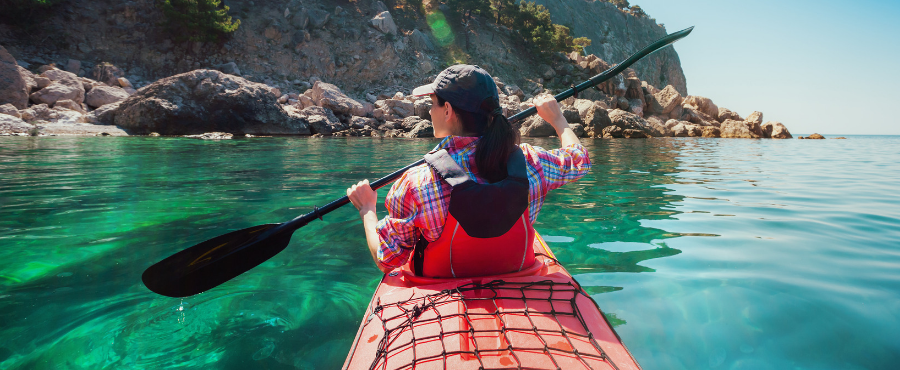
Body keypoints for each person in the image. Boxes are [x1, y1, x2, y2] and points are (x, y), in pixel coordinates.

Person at [346, 64, 591, 276]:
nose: (430, 111)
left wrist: (367, 210)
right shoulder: (532, 161)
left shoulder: (417, 183)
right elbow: (579, 160)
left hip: (443, 289)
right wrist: (558, 120)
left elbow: (386, 259)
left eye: (432, 103)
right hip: (517, 275)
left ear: (448, 110)